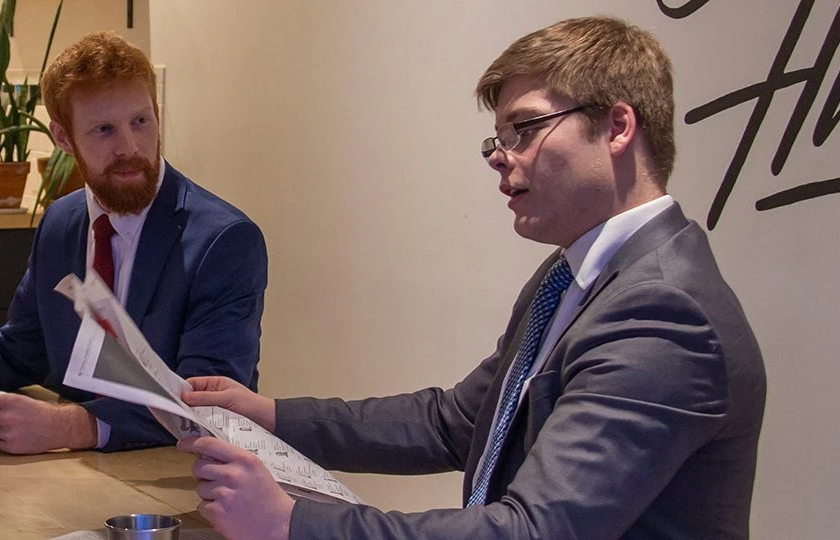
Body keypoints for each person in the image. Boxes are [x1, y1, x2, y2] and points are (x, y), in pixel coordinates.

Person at [177, 16, 765, 539]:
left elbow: (535, 529)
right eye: (498, 137)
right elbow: (455, 421)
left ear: (617, 127)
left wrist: (291, 522)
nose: (498, 155)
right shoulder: (572, 277)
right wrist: (269, 416)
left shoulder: (663, 313)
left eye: (525, 129)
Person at [0, 31, 269, 455]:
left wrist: (70, 425)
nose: (130, 147)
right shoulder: (62, 221)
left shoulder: (223, 241)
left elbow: (209, 406)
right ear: (62, 138)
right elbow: (23, 348)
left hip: (177, 486)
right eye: (104, 130)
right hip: (71, 476)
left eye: (141, 121)